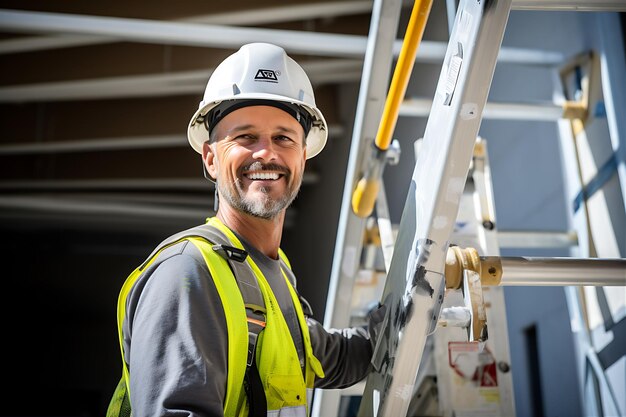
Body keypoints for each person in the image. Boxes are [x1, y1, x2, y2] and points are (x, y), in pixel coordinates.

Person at [107, 42, 375, 417]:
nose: (266, 153)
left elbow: (327, 357)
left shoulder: (273, 273)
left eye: (284, 138)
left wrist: (403, 317)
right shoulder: (188, 275)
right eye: (246, 137)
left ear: (302, 156)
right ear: (211, 158)